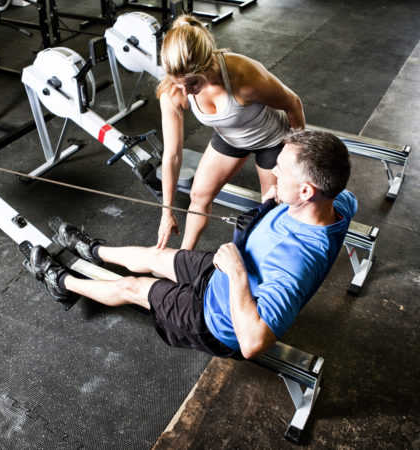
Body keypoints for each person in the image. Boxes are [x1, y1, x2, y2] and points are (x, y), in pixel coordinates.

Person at [30, 130, 355, 359]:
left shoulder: (294, 262)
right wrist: (282, 195)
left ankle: (61, 282)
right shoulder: (338, 204)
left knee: (133, 287)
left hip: (214, 318)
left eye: (280, 171)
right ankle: (94, 251)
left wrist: (238, 275)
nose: (272, 172)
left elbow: (253, 343)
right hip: (223, 273)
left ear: (306, 192)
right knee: (157, 256)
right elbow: (346, 196)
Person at [156, 14, 305, 251]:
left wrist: (296, 160)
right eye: (178, 83)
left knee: (271, 208)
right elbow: (172, 155)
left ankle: (262, 268)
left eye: (193, 83)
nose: (185, 92)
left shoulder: (244, 76)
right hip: (230, 138)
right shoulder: (173, 91)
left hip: (271, 139)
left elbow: (293, 103)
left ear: (207, 66)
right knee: (199, 195)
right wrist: (167, 211)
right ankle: (182, 258)